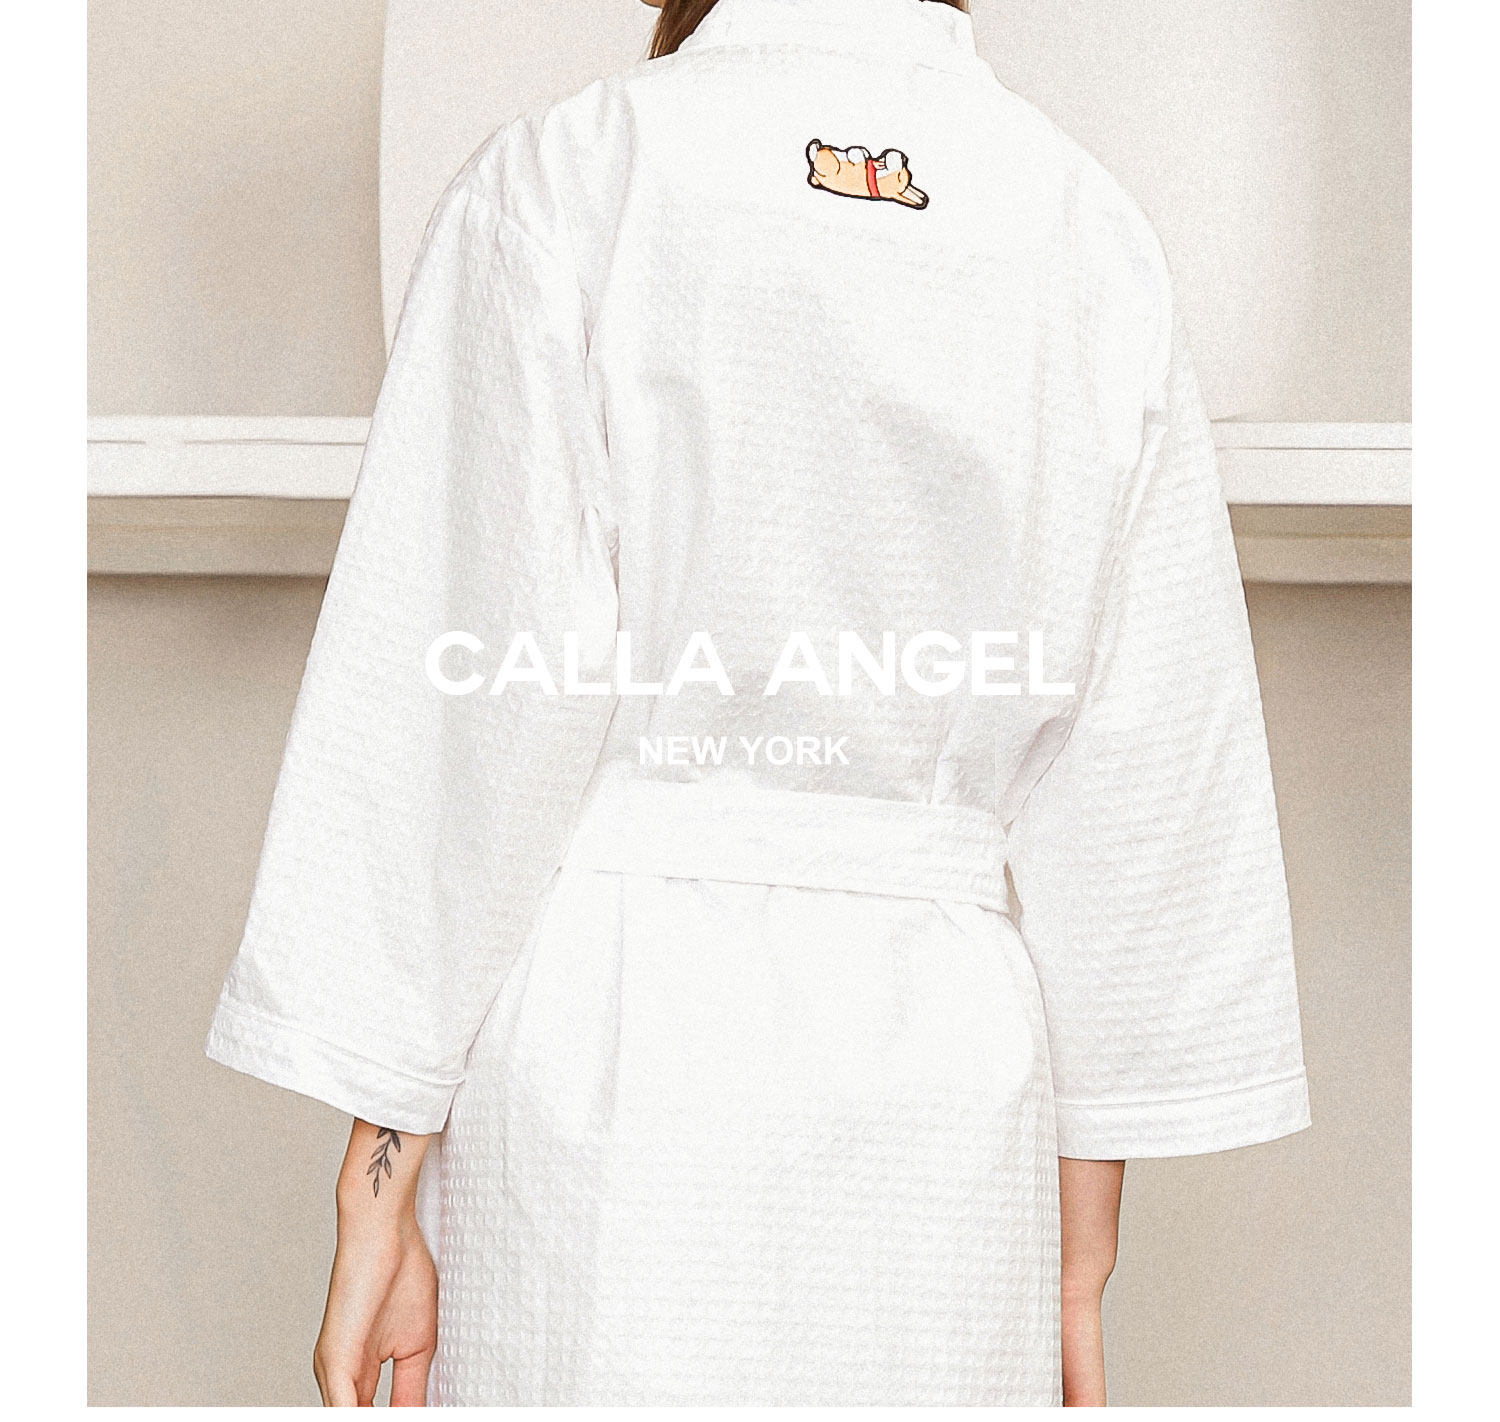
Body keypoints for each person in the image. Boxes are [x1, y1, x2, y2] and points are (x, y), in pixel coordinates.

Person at [206, 0, 1310, 1406]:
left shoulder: (574, 175)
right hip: (947, 1098)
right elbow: (1144, 759)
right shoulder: (1086, 230)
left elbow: (462, 712)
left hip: (616, 1059)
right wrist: (1077, 1252)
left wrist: (379, 1179)